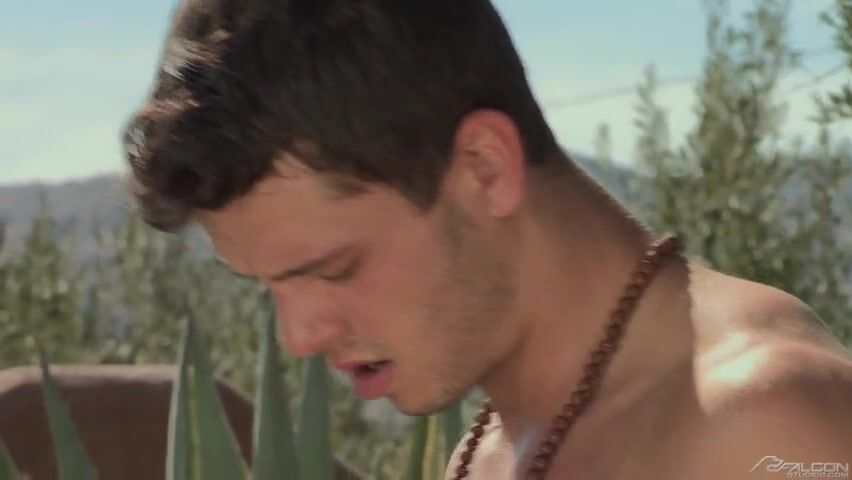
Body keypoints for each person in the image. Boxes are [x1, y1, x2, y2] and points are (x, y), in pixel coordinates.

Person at [122, 0, 852, 478]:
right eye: (269, 287)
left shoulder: (762, 428)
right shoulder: (488, 452)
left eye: (336, 268)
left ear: (485, 167)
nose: (299, 335)